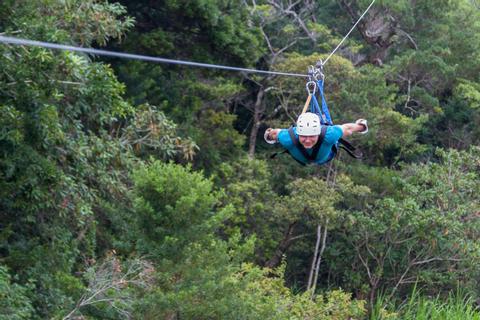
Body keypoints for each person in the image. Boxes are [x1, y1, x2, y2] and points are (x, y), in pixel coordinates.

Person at [264, 112, 368, 165]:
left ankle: (322, 120)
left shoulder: (329, 135)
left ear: (318, 133)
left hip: (326, 156)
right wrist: (269, 135)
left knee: (328, 129)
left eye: (312, 136)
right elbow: (275, 133)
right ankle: (321, 119)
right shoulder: (288, 138)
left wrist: (361, 126)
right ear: (298, 133)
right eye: (304, 136)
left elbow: (348, 128)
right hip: (318, 156)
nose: (308, 140)